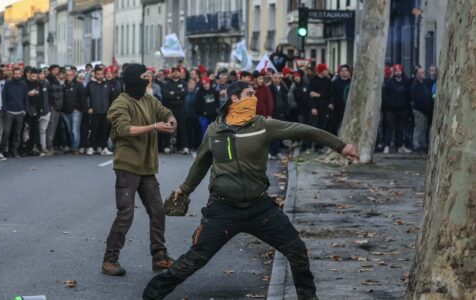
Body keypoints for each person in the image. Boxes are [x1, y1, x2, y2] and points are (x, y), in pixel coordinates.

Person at [143, 81, 359, 300]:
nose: (254, 98)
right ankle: (152, 293)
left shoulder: (262, 125)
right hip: (222, 210)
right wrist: (185, 189)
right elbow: (201, 163)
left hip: (260, 209)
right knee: (195, 259)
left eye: (255, 94)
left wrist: (340, 146)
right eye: (250, 94)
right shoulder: (215, 130)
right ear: (234, 99)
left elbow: (305, 130)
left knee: (297, 251)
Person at [103, 64, 177, 276]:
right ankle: (110, 260)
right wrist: (154, 127)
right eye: (144, 77)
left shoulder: (149, 99)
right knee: (126, 214)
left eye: (149, 76)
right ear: (134, 79)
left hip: (147, 167)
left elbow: (165, 112)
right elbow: (124, 129)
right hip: (127, 166)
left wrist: (171, 120)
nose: (148, 80)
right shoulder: (120, 103)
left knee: (158, 210)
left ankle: (159, 256)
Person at [382, 64, 412, 154]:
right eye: (396, 70)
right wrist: (390, 105)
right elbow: (385, 96)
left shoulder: (406, 82)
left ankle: (400, 146)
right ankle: (386, 146)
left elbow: (409, 95)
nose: (398, 72)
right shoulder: (389, 83)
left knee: (401, 128)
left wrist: (407, 106)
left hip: (403, 109)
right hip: (391, 109)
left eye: (399, 70)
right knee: (389, 128)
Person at [0, 68, 28, 158]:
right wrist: (4, 109)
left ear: (21, 74)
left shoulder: (23, 84)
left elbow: (26, 98)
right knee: (6, 132)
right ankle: (3, 151)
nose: (17, 75)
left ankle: (15, 151)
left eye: (19, 74)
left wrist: (25, 110)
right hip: (9, 111)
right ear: (13, 74)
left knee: (17, 133)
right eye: (15, 74)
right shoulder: (8, 84)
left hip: (20, 112)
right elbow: (3, 97)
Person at [86, 67, 114, 156]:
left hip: (105, 111)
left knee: (104, 130)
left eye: (101, 74)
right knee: (93, 130)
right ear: (95, 74)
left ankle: (103, 148)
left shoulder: (108, 84)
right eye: (98, 74)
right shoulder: (90, 84)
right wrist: (89, 107)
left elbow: (111, 98)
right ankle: (91, 147)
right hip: (94, 111)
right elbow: (85, 97)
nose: (100, 76)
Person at [163, 67, 188, 154]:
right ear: (171, 73)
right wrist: (178, 95)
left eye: (177, 72)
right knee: (169, 127)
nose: (176, 73)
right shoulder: (167, 84)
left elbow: (184, 93)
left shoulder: (184, 83)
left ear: (180, 73)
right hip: (170, 109)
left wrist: (173, 93)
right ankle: (167, 146)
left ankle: (184, 147)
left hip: (181, 109)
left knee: (182, 128)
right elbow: (166, 95)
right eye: (174, 72)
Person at [309, 64, 334, 152]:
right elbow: (311, 95)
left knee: (323, 127)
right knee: (315, 127)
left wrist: (319, 95)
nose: (327, 71)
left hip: (324, 107)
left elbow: (330, 94)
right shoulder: (312, 80)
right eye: (325, 70)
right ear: (321, 71)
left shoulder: (328, 81)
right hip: (316, 108)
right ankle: (315, 146)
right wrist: (313, 108)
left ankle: (320, 146)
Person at [62, 69, 86, 155]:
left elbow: (83, 98)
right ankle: (72, 146)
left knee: (75, 130)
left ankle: (75, 148)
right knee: (69, 130)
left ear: (73, 75)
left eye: (70, 75)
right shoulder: (63, 85)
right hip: (65, 111)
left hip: (76, 110)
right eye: (67, 75)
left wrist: (80, 108)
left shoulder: (79, 85)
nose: (69, 77)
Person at [290, 71, 312, 152]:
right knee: (302, 129)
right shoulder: (295, 88)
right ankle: (303, 146)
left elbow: (310, 98)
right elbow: (295, 100)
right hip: (300, 112)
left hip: (309, 111)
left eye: (298, 76)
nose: (296, 78)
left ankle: (308, 146)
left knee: (309, 129)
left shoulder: (307, 85)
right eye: (295, 77)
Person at [269, 72, 290, 159]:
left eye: (279, 78)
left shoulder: (283, 88)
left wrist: (285, 112)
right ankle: (271, 151)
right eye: (275, 78)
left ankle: (277, 151)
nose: (277, 80)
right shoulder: (269, 88)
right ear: (272, 79)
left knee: (279, 133)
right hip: (272, 114)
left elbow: (285, 101)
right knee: (271, 134)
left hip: (281, 114)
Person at [411, 68, 431, 153]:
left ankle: (423, 144)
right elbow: (417, 99)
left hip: (425, 110)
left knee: (424, 128)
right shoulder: (416, 85)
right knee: (419, 127)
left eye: (423, 72)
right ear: (417, 74)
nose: (423, 74)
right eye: (421, 73)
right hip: (419, 110)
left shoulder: (424, 83)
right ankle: (416, 145)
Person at [46, 65, 64, 154]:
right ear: (50, 71)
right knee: (51, 127)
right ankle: (48, 146)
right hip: (52, 107)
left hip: (58, 107)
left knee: (54, 127)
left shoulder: (56, 80)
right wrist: (51, 105)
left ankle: (51, 145)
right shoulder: (48, 80)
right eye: (54, 70)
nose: (56, 71)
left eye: (57, 70)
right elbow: (48, 94)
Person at [329, 64, 351, 135]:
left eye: (345, 70)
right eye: (342, 71)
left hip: (349, 107)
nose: (344, 72)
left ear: (348, 72)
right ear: (339, 72)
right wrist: (331, 103)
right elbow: (331, 94)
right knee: (334, 126)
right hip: (337, 107)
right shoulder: (335, 82)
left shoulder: (352, 82)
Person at [25, 69, 43, 156]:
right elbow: (23, 96)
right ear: (29, 75)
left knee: (35, 130)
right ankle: (27, 148)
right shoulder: (25, 83)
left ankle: (34, 147)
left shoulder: (39, 84)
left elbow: (41, 97)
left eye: (36, 76)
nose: (34, 78)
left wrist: (40, 109)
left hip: (36, 109)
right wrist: (28, 94)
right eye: (33, 76)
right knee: (26, 130)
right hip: (27, 109)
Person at [37, 71, 52, 156]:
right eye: (40, 74)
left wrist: (49, 108)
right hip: (38, 112)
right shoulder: (36, 84)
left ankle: (43, 147)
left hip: (47, 111)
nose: (42, 75)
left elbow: (49, 97)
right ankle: (38, 147)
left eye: (43, 74)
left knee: (43, 130)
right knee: (37, 131)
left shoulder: (47, 84)